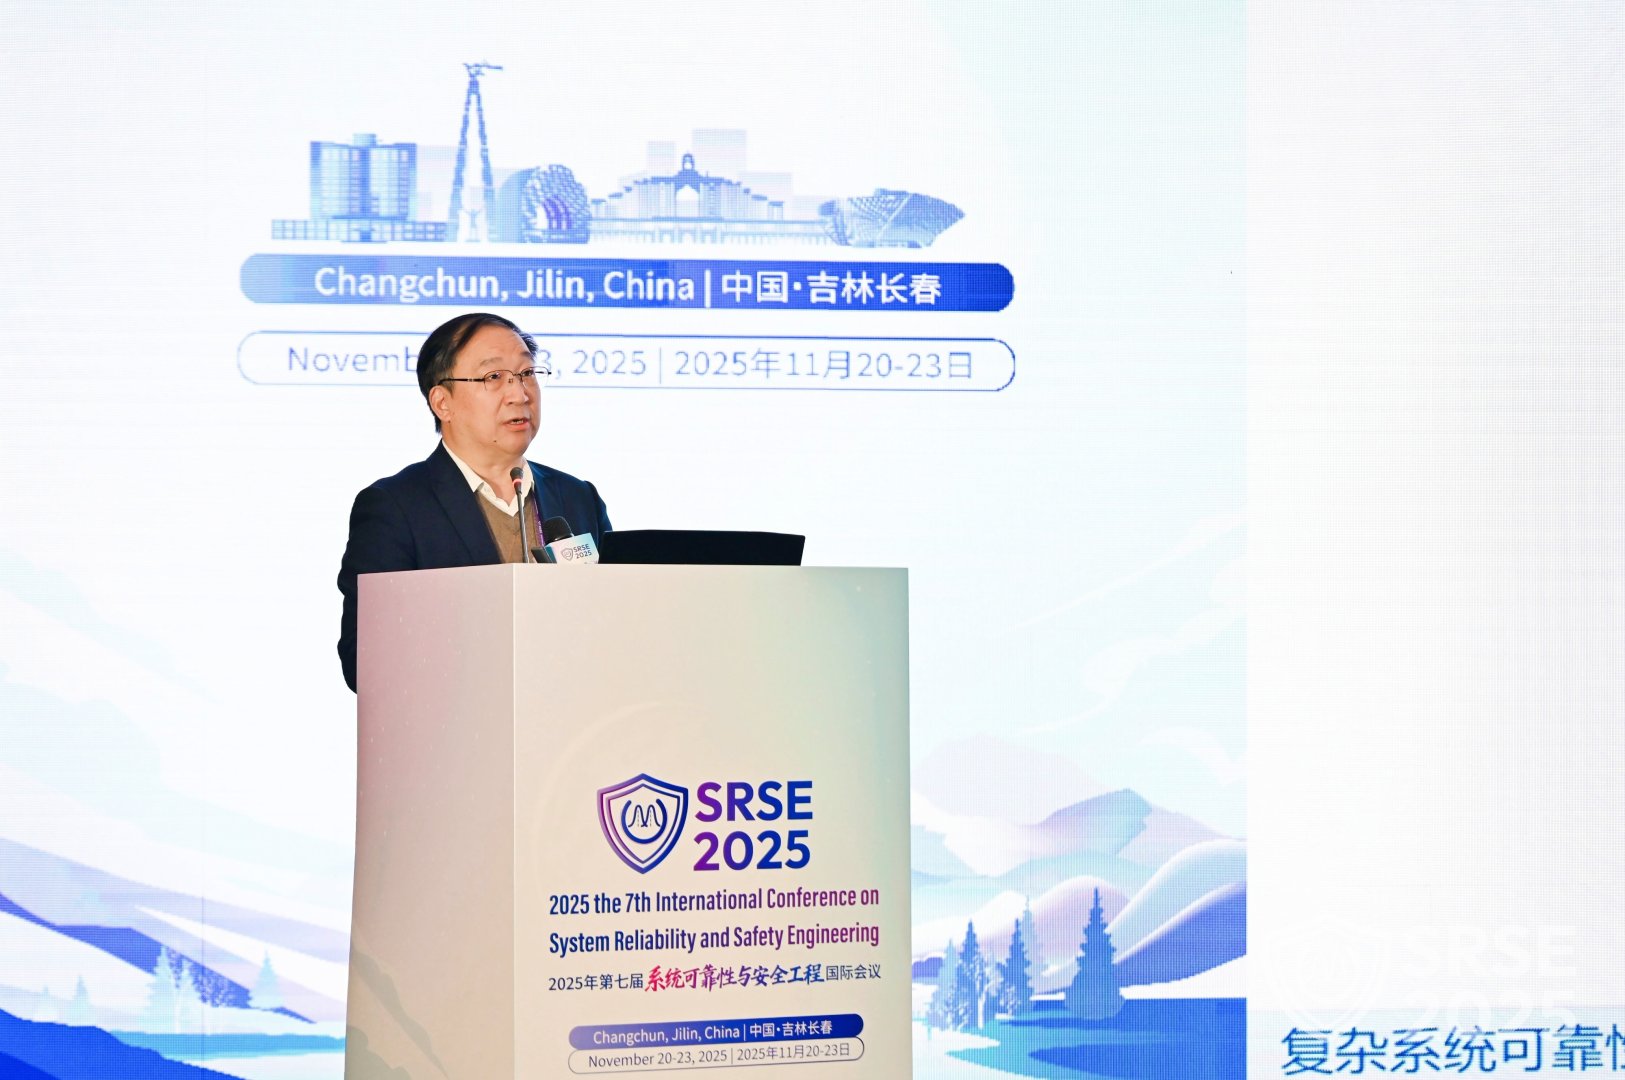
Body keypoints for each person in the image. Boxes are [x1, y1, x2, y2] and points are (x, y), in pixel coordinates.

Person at [336, 312, 611, 691]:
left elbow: (613, 624)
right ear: (442, 402)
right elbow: (364, 661)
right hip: (456, 721)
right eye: (493, 377)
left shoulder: (577, 497)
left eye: (527, 373)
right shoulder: (395, 508)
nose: (520, 394)